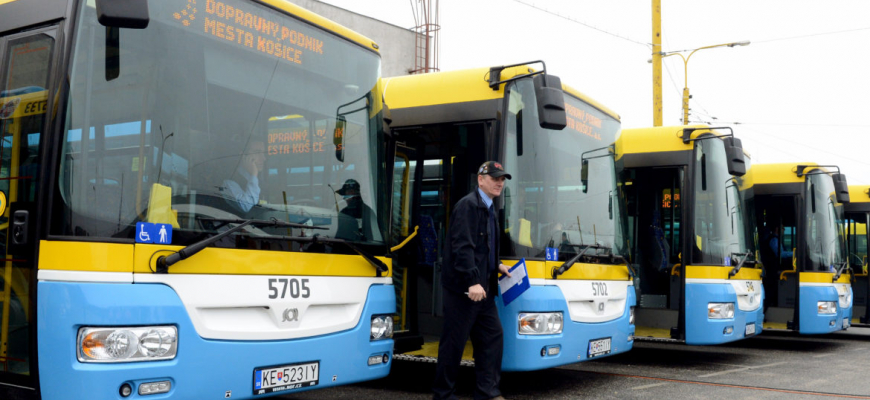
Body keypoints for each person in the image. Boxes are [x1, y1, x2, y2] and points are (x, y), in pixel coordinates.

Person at [433, 161, 513, 400]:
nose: (499, 182)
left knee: (492, 337)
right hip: (464, 291)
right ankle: (443, 395)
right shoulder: (468, 205)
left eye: (502, 179)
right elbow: (462, 247)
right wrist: (471, 281)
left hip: (484, 289)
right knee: (454, 344)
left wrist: (497, 265)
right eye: (494, 178)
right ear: (480, 180)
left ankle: (487, 392)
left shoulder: (489, 208)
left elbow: (482, 247)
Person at [223, 138, 266, 213]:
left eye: (263, 153)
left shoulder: (260, 181)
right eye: (257, 152)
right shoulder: (229, 183)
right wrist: (253, 174)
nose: (263, 158)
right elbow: (246, 206)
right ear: (243, 156)